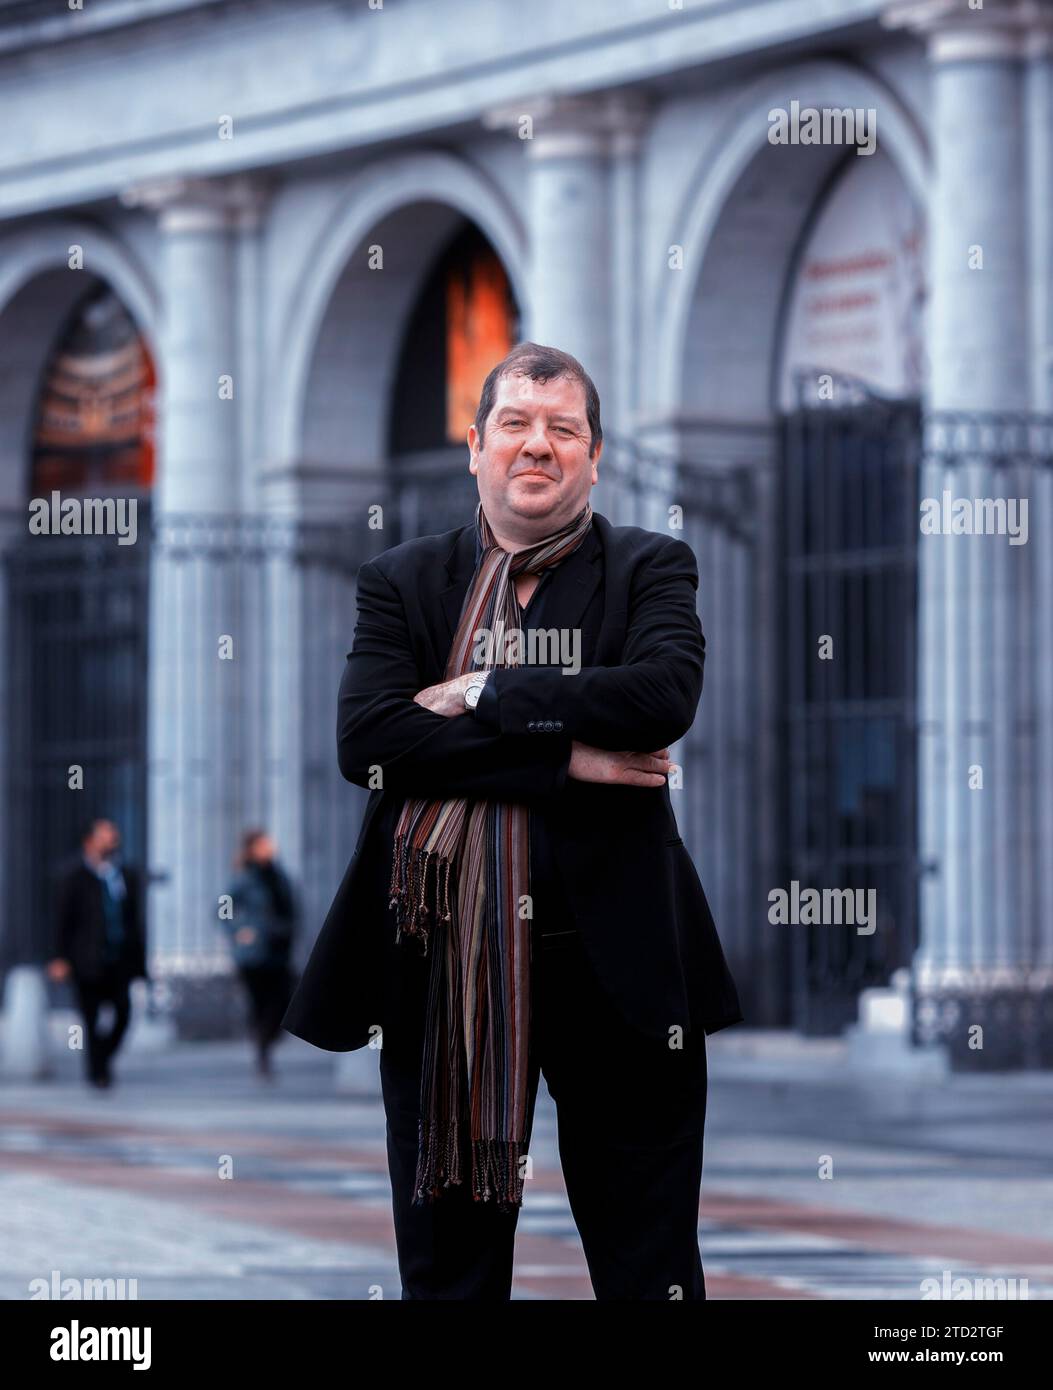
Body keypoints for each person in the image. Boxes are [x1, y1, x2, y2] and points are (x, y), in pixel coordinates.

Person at [282, 341, 745, 1300]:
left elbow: (661, 696)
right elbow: (369, 742)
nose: (537, 446)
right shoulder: (404, 581)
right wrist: (565, 754)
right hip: (444, 964)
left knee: (648, 1262)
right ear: (475, 446)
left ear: (594, 454)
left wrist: (485, 689)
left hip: (619, 966)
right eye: (515, 426)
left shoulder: (652, 567)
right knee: (449, 1271)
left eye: (561, 429)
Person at [47, 817, 147, 1089]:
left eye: (113, 835)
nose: (112, 841)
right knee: (90, 1019)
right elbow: (61, 920)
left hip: (119, 959)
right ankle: (97, 1071)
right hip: (85, 960)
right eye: (105, 836)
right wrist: (59, 957)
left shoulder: (126, 875)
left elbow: (134, 920)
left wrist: (140, 962)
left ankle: (102, 1059)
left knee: (123, 1014)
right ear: (89, 841)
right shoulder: (72, 876)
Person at [222, 829, 297, 1079]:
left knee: (282, 1003)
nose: (271, 847)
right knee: (260, 1005)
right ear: (253, 848)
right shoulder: (245, 878)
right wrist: (238, 930)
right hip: (253, 955)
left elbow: (290, 907)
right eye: (264, 844)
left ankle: (264, 1042)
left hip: (279, 950)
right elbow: (223, 905)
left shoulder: (279, 875)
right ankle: (262, 1051)